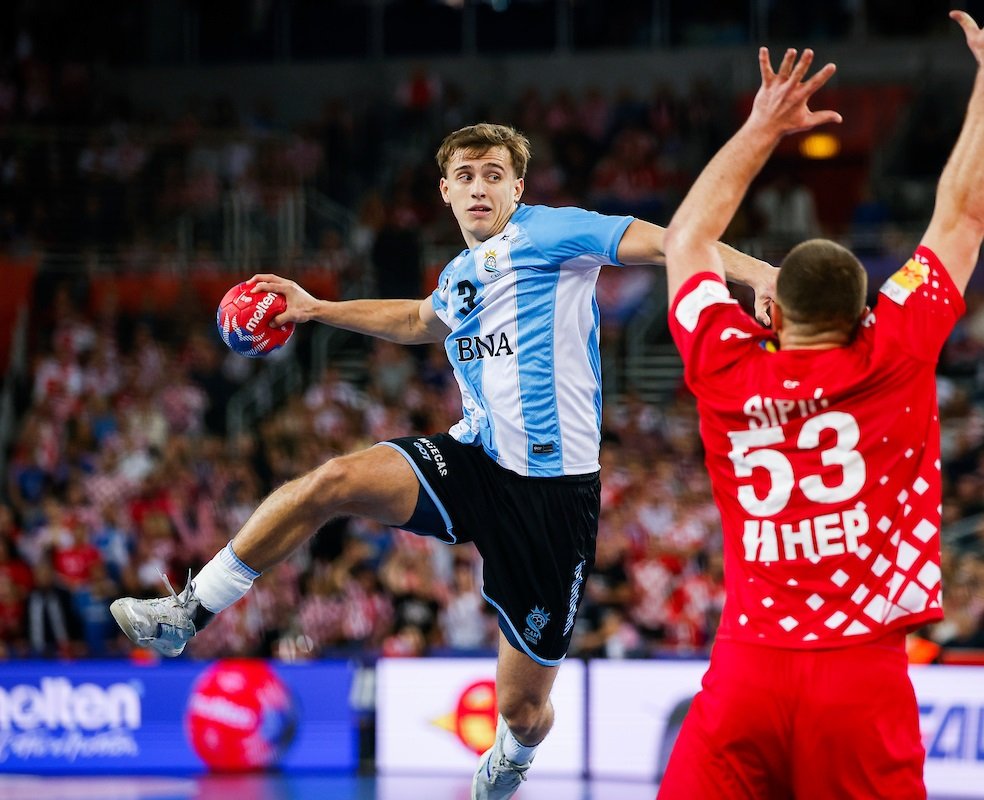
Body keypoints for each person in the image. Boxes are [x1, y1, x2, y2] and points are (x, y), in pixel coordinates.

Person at [111, 121, 774, 799]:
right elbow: (421, 321)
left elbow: (672, 241)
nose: (479, 187)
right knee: (333, 479)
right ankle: (188, 612)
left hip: (553, 498)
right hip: (473, 457)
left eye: (493, 175)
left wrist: (759, 276)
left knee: (521, 706)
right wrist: (316, 308)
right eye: (465, 176)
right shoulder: (460, 275)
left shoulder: (554, 233)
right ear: (446, 191)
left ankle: (513, 755)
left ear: (517, 187)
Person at [658, 11, 984, 799]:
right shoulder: (896, 348)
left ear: (769, 316)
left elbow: (687, 239)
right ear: (866, 311)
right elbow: (963, 215)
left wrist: (763, 126)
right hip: (862, 680)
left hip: (748, 672)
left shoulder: (725, 364)